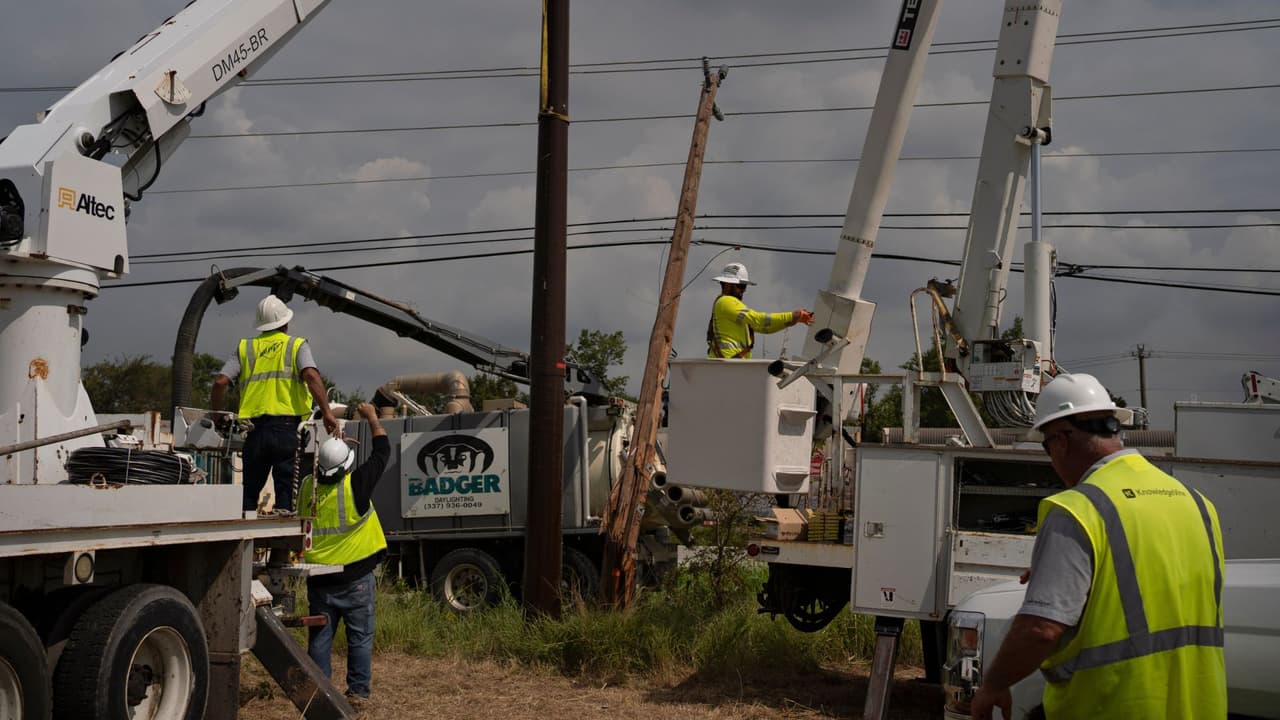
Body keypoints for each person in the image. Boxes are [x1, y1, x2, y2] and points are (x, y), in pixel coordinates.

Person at [970, 373, 1226, 720]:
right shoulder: (1197, 505)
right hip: (1197, 706)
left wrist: (993, 686)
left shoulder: (1079, 509)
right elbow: (1160, 588)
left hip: (1113, 704)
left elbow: (1041, 630)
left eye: (1046, 446)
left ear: (1059, 441)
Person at [211, 294, 339, 513]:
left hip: (253, 431)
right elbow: (311, 375)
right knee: (285, 495)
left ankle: (245, 535)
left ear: (260, 325)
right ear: (286, 322)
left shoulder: (245, 348)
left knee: (248, 495)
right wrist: (327, 412)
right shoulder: (296, 345)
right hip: (288, 430)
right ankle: (282, 542)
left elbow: (220, 382)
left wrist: (216, 415)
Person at [298, 401, 390, 702]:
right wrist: (373, 417)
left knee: (320, 640)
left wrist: (331, 443)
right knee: (360, 639)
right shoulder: (356, 485)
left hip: (319, 579)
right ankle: (358, 694)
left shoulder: (308, 487)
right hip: (356, 577)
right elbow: (382, 452)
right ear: (346, 465)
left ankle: (319, 695)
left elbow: (309, 460)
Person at [705, 262, 814, 358]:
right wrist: (793, 316)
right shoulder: (726, 302)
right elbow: (759, 319)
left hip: (731, 364)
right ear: (728, 285)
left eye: (744, 287)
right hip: (728, 365)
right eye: (741, 286)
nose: (744, 291)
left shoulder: (730, 306)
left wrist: (792, 321)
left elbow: (764, 328)